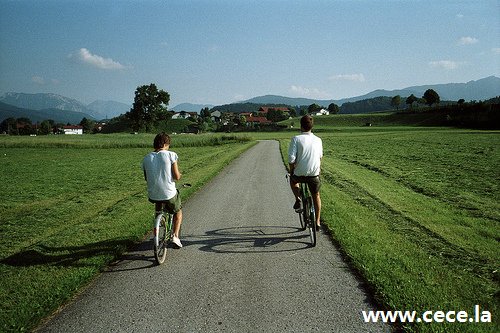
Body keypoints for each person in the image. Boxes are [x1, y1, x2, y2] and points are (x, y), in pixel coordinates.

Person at [142, 132, 184, 248]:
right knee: (178, 211)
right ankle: (175, 236)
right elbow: (176, 176)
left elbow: (146, 178)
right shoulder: (171, 155)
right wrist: (180, 175)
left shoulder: (146, 158)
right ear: (166, 144)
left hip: (153, 194)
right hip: (169, 194)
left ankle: (158, 220)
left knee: (158, 202)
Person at [288, 115, 323, 230]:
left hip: (299, 174)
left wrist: (292, 171)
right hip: (313, 174)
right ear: (312, 126)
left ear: (301, 126)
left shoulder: (296, 139)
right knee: (316, 195)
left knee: (293, 181)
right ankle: (317, 221)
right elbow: (320, 157)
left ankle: (298, 198)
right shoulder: (318, 140)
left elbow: (291, 159)